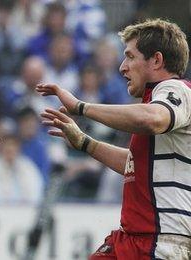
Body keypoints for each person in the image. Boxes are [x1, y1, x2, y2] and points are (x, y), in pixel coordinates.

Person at [37, 18, 191, 259]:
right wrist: (85, 143)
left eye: (130, 56)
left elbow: (153, 119)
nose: (122, 67)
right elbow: (135, 166)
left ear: (157, 60)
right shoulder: (153, 102)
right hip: (133, 239)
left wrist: (80, 107)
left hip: (159, 243)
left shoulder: (176, 89)